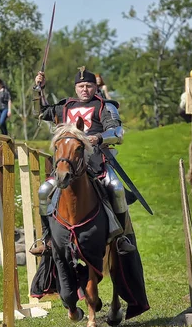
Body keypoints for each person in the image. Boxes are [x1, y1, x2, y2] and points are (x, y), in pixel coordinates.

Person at [34, 67, 136, 254]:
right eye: (81, 86)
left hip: (96, 160)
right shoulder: (65, 106)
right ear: (75, 88)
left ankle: (120, 237)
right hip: (68, 161)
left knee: (116, 188)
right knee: (43, 191)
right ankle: (46, 238)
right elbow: (41, 112)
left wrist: (99, 138)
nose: (85, 90)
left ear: (95, 87)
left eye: (89, 86)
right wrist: (39, 89)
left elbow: (118, 132)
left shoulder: (105, 106)